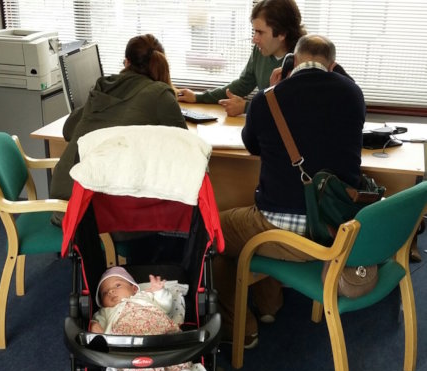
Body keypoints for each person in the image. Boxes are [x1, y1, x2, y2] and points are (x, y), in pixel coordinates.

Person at [214, 34, 365, 348]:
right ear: (333, 66)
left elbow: (252, 145)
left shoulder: (266, 100)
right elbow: (342, 86)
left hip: (280, 231)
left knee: (215, 230)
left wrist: (274, 86)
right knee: (255, 222)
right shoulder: (353, 94)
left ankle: (240, 328)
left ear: (292, 62)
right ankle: (269, 305)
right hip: (335, 227)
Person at [50, 34, 187, 226]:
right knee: (178, 200)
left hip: (65, 203)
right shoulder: (160, 95)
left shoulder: (103, 86)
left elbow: (68, 131)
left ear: (126, 62)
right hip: (95, 214)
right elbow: (186, 151)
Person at [177, 0, 306, 117]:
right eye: (254, 31)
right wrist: (198, 97)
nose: (254, 39)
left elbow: (291, 108)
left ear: (282, 33)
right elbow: (243, 84)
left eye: (260, 32)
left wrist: (246, 107)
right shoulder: (260, 50)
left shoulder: (304, 59)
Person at [91, 266, 195, 371]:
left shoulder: (144, 296)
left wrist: (159, 291)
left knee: (174, 352)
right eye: (104, 293)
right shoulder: (106, 312)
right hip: (131, 348)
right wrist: (94, 325)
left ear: (134, 288)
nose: (111, 291)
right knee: (133, 364)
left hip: (160, 335)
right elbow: (98, 326)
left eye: (117, 285)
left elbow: (166, 305)